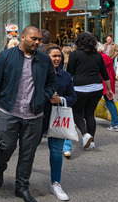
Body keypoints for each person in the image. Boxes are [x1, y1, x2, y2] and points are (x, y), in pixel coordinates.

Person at [0, 25, 57, 202]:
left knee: (28, 152)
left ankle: (22, 187)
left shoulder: (44, 60)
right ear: (22, 37)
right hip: (8, 111)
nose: (37, 42)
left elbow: (52, 83)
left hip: (34, 115)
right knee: (6, 147)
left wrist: (42, 97)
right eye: (34, 39)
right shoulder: (5, 56)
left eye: (39, 40)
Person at [66, 32, 113, 150]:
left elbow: (69, 73)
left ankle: (85, 134)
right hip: (97, 87)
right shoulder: (97, 55)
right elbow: (104, 74)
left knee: (75, 112)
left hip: (79, 88)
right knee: (90, 114)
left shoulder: (75, 54)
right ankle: (91, 142)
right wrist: (109, 89)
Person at [41, 44, 76, 201]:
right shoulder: (37, 73)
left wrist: (60, 99)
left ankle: (56, 183)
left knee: (56, 151)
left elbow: (73, 97)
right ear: (46, 57)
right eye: (53, 56)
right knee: (28, 150)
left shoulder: (66, 76)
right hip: (39, 117)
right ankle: (23, 180)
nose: (57, 59)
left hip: (58, 118)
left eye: (59, 56)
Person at [97, 43, 118, 132]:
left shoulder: (95, 58)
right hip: (108, 81)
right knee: (110, 102)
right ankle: (116, 124)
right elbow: (112, 71)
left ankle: (81, 119)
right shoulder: (108, 58)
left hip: (98, 81)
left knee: (88, 102)